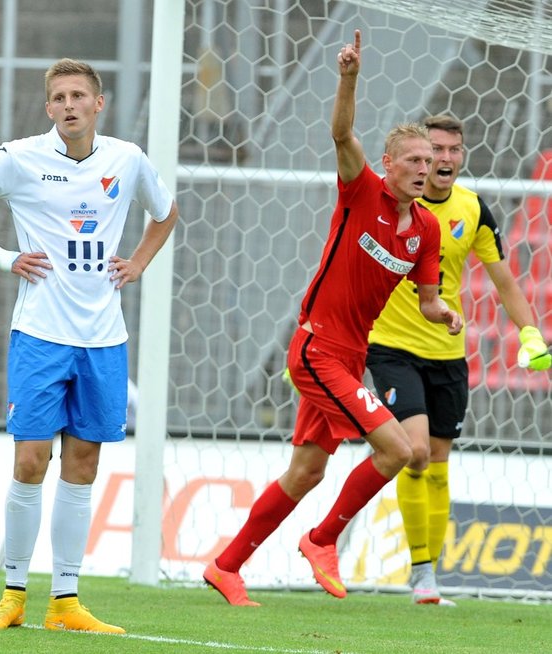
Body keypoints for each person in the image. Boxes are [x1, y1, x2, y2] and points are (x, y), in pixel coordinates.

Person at [202, 30, 462, 606]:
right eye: (414, 161)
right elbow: (341, 133)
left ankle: (226, 565)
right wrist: (348, 78)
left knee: (306, 472)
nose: (425, 169)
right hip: (316, 349)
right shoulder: (360, 190)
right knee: (399, 450)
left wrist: (442, 312)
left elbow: (426, 298)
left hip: (351, 356)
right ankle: (323, 540)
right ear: (389, 164)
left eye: (431, 162)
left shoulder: (426, 229)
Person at [0, 58, 178, 634]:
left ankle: (65, 602)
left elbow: (165, 214)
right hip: (40, 335)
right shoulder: (19, 157)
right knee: (30, 459)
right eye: (59, 97)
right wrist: (1, 255)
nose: (69, 105)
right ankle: (13, 592)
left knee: (84, 464)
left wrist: (137, 263)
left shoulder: (127, 158)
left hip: (104, 339)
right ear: (48, 108)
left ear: (99, 104)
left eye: (79, 96)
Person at [367, 114, 551, 605]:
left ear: (461, 155)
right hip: (391, 346)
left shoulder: (472, 210)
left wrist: (530, 333)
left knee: (439, 461)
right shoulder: (391, 204)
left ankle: (426, 576)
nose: (443, 159)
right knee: (417, 451)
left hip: (448, 353)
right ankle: (420, 567)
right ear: (419, 158)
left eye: (452, 150)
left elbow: (504, 279)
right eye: (435, 150)